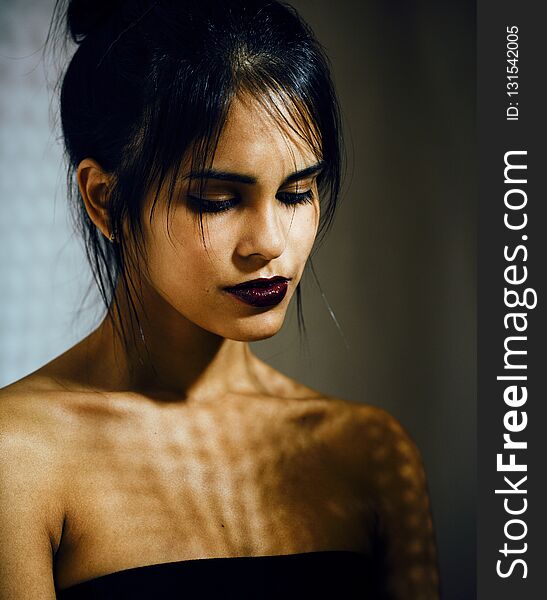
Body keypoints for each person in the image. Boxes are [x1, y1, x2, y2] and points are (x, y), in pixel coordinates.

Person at [0, 0, 440, 598]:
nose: (269, 244)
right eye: (216, 199)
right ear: (104, 200)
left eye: (297, 192)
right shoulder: (19, 457)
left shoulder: (370, 454)